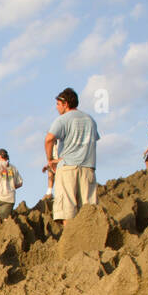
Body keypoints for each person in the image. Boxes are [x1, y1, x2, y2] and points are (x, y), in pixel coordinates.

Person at [44, 88, 99, 222]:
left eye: (58, 104)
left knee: (67, 211)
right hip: (88, 168)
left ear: (66, 104)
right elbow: (90, 141)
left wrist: (50, 160)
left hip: (68, 168)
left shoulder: (63, 119)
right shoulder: (90, 120)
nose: (57, 108)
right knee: (89, 211)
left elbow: (49, 139)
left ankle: (71, 241)